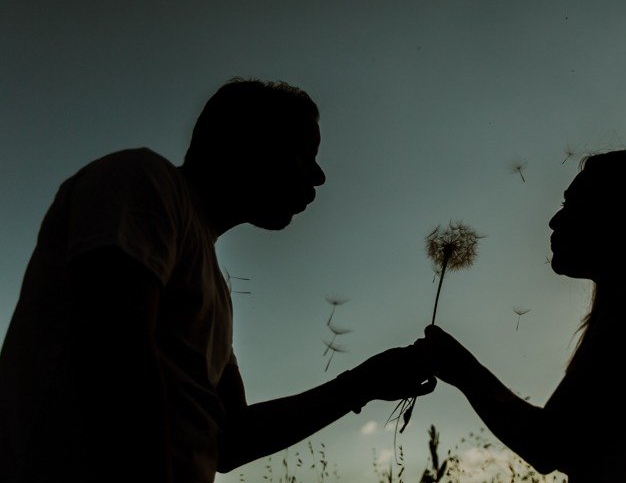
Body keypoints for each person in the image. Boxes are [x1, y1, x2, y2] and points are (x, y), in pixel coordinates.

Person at [0, 78, 435, 483]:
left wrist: (361, 383)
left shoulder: (213, 286)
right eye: (304, 152)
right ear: (248, 143)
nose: (318, 175)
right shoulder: (143, 182)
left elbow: (230, 439)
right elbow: (114, 353)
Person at [418, 149, 626, 482]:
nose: (555, 220)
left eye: (572, 204)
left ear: (624, 212)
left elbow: (551, 443)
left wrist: (460, 368)